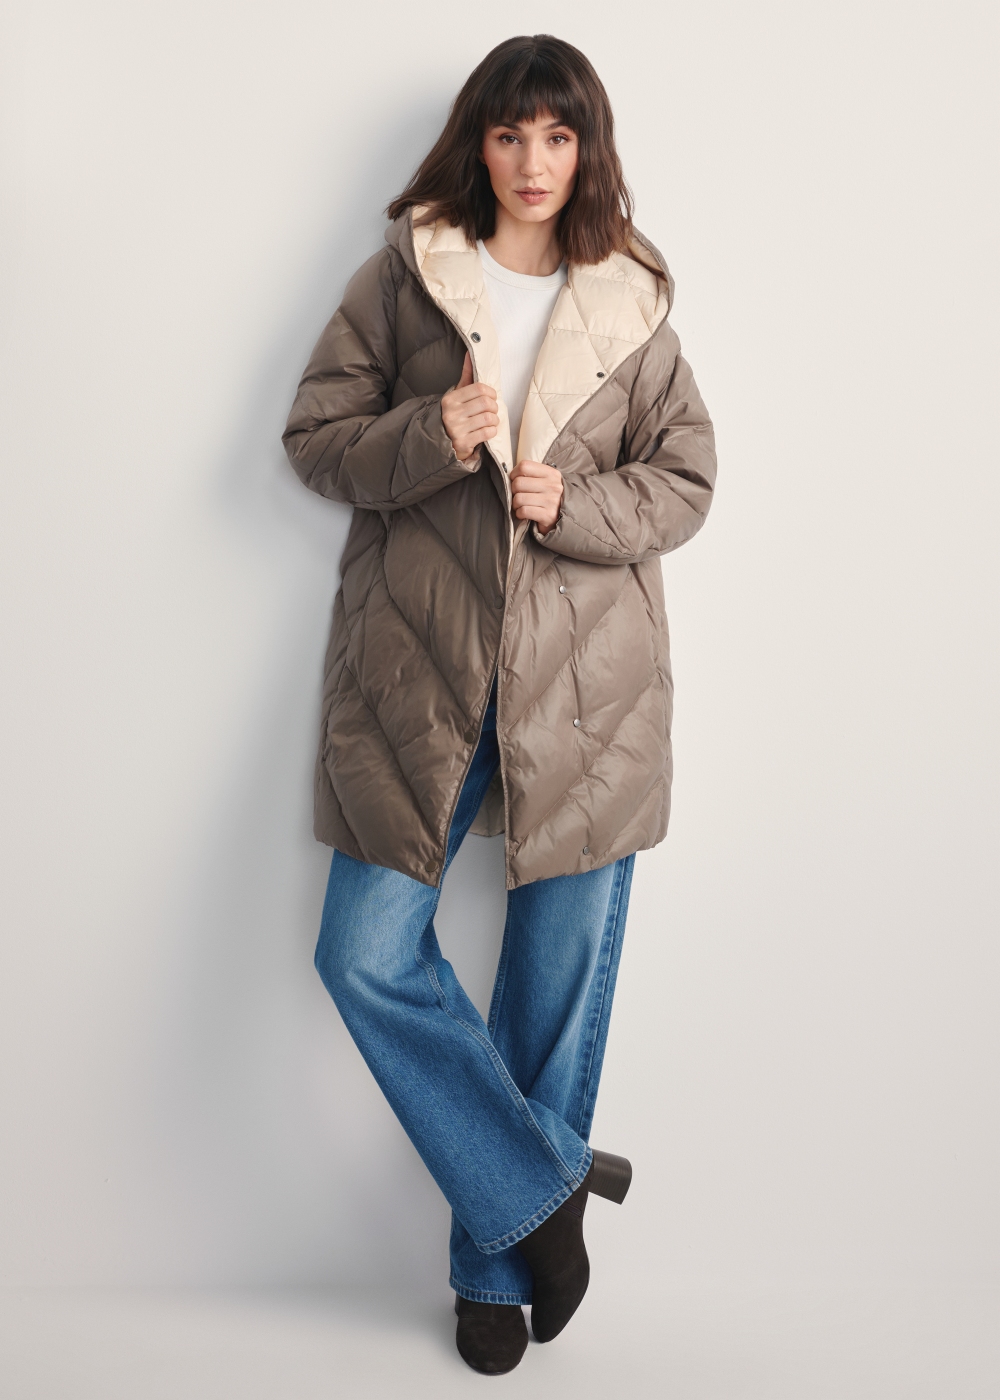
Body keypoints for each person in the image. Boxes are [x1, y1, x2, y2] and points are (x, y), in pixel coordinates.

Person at [282, 33, 716, 1376]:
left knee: (551, 983)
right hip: (421, 672)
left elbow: (688, 482)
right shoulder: (407, 278)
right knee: (363, 954)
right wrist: (433, 434)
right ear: (477, 141)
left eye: (559, 136)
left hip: (589, 689)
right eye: (510, 133)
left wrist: (575, 503)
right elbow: (314, 441)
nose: (534, 162)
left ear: (588, 151)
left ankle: (492, 1270)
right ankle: (544, 1185)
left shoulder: (632, 302)